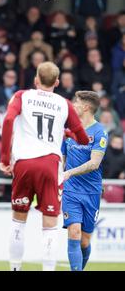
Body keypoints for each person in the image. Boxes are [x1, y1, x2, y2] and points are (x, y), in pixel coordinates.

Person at [0, 62, 89, 271]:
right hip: (50, 164)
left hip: (24, 163)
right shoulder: (64, 103)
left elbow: (8, 120)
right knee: (50, 225)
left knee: (18, 220)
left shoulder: (22, 96)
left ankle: (15, 268)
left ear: (36, 79)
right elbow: (83, 138)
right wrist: (67, 133)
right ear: (57, 82)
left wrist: (4, 157)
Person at [61, 91, 108, 271]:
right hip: (71, 190)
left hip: (92, 192)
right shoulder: (68, 130)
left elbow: (94, 163)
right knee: (74, 232)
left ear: (86, 107)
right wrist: (59, 175)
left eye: (76, 102)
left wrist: (69, 172)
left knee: (84, 241)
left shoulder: (99, 133)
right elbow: (62, 158)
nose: (73, 105)